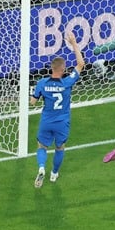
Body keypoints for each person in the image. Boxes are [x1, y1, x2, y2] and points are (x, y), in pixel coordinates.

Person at [30, 31, 84, 188]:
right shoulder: (67, 82)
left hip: (47, 121)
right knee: (60, 147)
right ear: (63, 69)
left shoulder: (41, 83)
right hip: (62, 122)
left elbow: (33, 102)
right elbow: (81, 64)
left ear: (52, 68)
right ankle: (54, 174)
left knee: (42, 147)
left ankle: (41, 167)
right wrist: (73, 43)